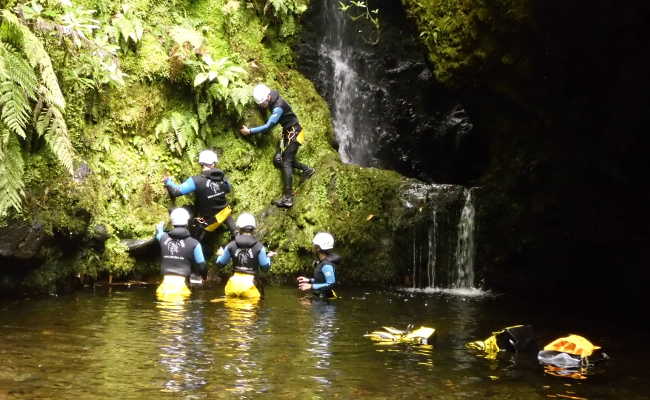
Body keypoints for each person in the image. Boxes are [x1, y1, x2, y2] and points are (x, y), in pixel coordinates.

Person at [240, 84, 315, 208]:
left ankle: (288, 198)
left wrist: (250, 131)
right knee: (279, 160)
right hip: (288, 133)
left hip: (295, 133)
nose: (261, 106)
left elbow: (269, 125)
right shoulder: (272, 100)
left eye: (262, 103)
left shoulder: (278, 107)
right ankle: (307, 169)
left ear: (268, 97)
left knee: (286, 162)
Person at [163, 149, 236, 255]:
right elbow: (228, 189)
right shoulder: (223, 178)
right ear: (214, 163)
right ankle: (233, 237)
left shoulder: (196, 181)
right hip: (225, 214)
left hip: (208, 223)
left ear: (201, 164)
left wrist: (168, 181)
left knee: (194, 237)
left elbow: (176, 192)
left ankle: (206, 252)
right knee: (226, 214)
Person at [215, 213, 276, 298]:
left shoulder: (230, 245)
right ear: (253, 229)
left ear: (239, 228)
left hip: (233, 285)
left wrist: (220, 254)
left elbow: (220, 264)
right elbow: (265, 268)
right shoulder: (259, 247)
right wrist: (268, 257)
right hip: (250, 286)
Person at [155, 208, 206, 299]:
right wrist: (204, 277)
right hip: (181, 289)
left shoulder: (162, 238)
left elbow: (159, 234)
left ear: (172, 222)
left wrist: (160, 229)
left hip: (163, 288)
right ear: (187, 223)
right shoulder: (195, 243)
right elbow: (202, 266)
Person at [297, 232, 340, 299]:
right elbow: (321, 280)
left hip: (326, 302)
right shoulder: (321, 262)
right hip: (320, 298)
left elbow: (331, 284)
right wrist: (309, 280)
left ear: (318, 248)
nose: (313, 247)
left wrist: (311, 286)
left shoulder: (327, 265)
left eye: (314, 245)